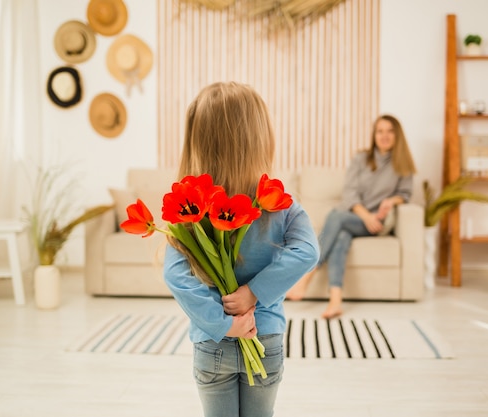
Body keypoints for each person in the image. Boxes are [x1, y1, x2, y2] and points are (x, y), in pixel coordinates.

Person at [163, 82, 319, 417]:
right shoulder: (278, 203)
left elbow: (175, 276)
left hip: (212, 341)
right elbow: (308, 251)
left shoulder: (189, 208)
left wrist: (223, 324)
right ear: (261, 137)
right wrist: (255, 293)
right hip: (265, 336)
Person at [286, 114, 416, 319]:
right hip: (358, 218)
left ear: (397, 135)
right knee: (341, 235)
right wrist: (366, 216)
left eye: (390, 131)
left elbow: (406, 194)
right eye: (380, 131)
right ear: (374, 135)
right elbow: (349, 194)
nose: (384, 136)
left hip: (376, 224)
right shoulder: (360, 159)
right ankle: (336, 301)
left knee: (336, 216)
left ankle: (306, 277)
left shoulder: (403, 165)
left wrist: (392, 201)